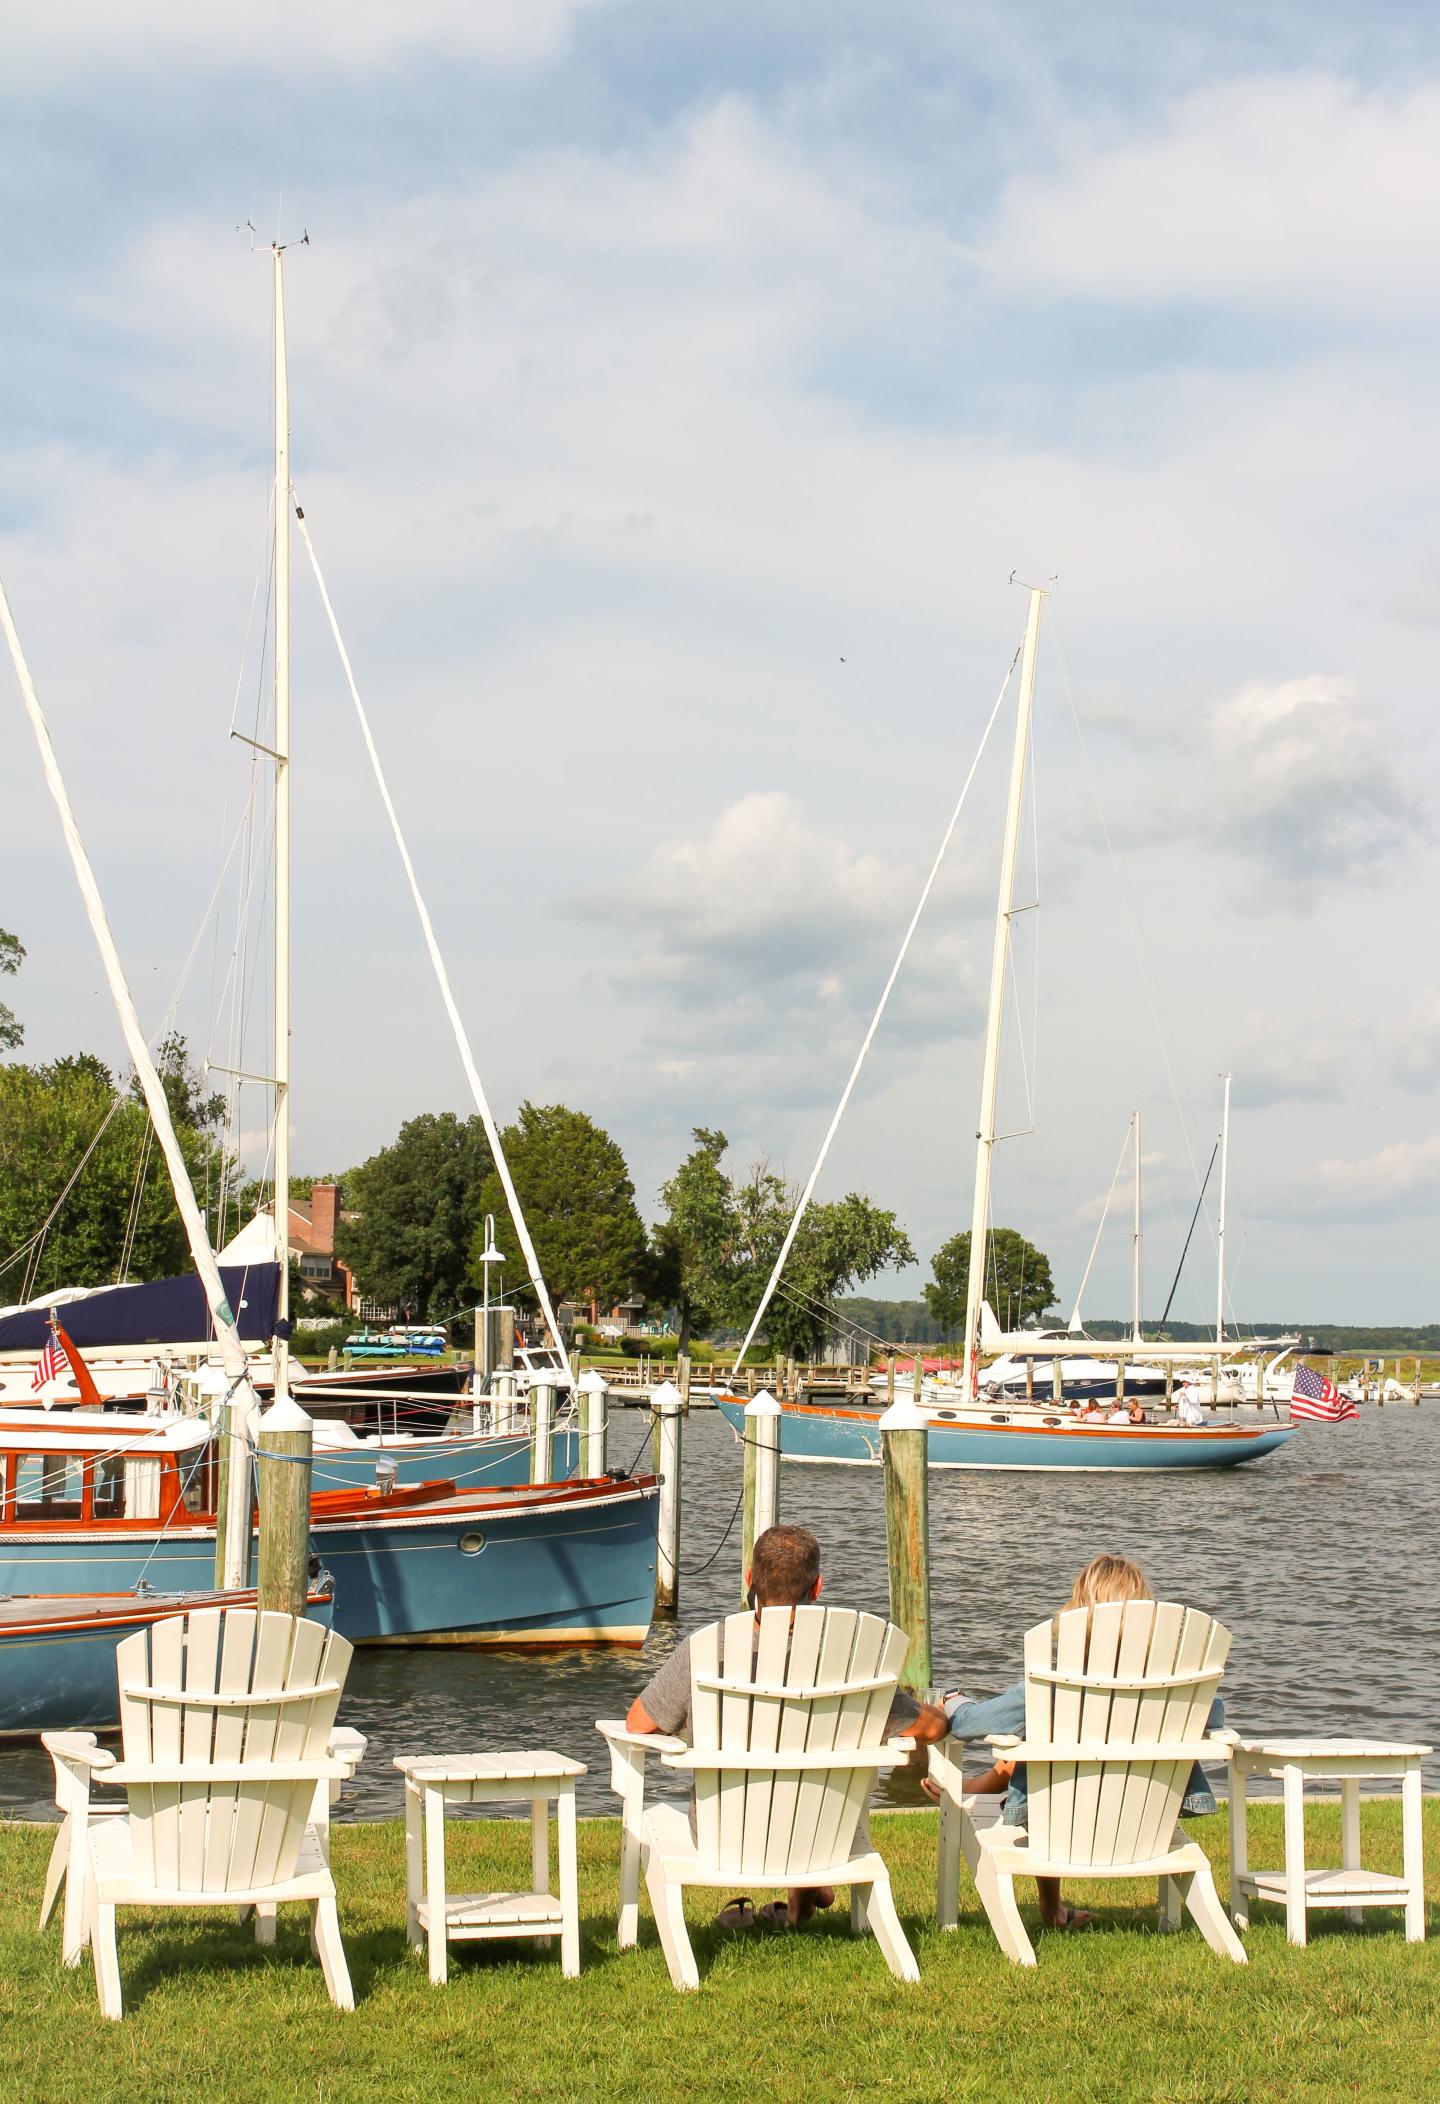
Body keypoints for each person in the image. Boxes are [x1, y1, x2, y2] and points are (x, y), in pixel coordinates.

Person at [626, 1523, 949, 1929]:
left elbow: (638, 1723)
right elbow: (932, 1730)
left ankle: (791, 1908)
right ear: (817, 1589)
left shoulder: (709, 1649)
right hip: (822, 1832)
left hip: (724, 1836)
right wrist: (938, 1710)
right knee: (808, 1778)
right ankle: (800, 1906)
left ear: (750, 1580)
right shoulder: (851, 1656)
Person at [933, 1553, 1225, 1932]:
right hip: (1144, 1826)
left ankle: (1041, 1905)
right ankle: (1054, 1908)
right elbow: (1216, 1714)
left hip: (1060, 1827)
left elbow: (971, 1724)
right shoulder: (1173, 1695)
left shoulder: (1052, 1690)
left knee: (1046, 1777)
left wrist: (952, 1701)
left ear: (1077, 1615)